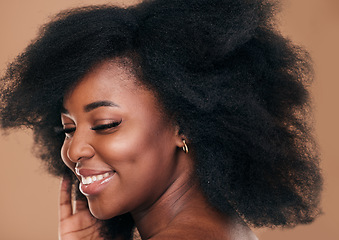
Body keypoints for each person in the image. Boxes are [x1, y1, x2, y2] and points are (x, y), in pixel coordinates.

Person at [0, 0, 322, 239]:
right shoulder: (225, 227)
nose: (73, 151)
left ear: (183, 123)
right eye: (68, 128)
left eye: (105, 124)